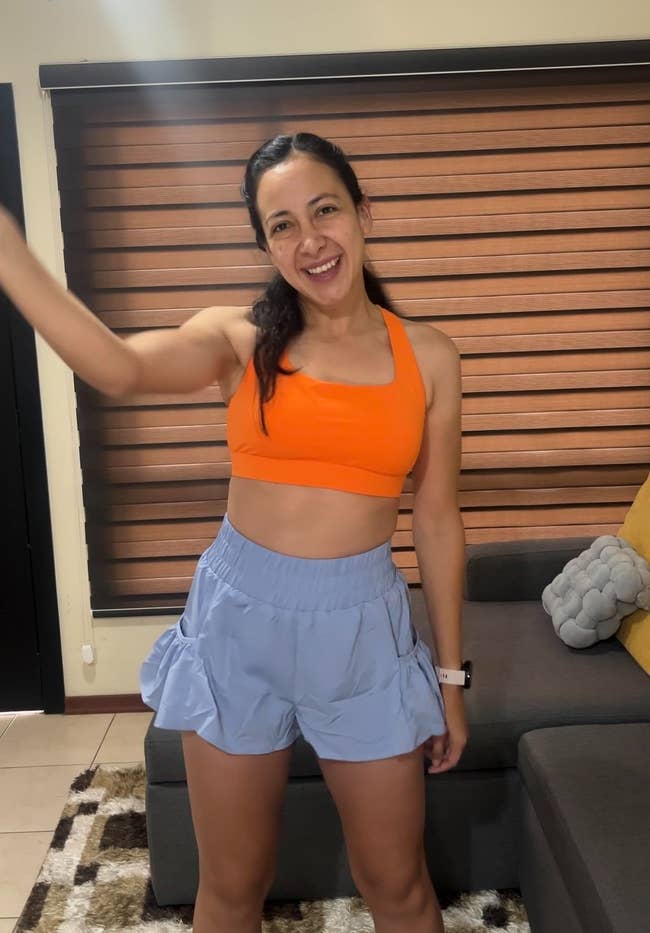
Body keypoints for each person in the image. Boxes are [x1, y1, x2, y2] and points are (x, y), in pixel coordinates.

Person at [0, 131, 468, 933]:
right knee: (231, 885)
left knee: (398, 885)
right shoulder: (239, 341)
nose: (310, 239)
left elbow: (437, 517)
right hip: (238, 620)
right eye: (282, 224)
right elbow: (117, 366)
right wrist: (10, 254)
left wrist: (451, 681)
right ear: (265, 246)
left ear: (364, 213)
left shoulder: (429, 357)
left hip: (361, 630)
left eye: (325, 211)